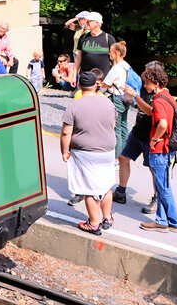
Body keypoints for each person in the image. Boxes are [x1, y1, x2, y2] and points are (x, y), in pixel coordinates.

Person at [60, 71, 118, 235]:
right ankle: (107, 217)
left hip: (85, 152)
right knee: (105, 185)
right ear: (96, 85)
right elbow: (112, 125)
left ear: (79, 86)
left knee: (89, 188)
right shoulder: (108, 103)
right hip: (107, 150)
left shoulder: (74, 106)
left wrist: (65, 151)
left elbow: (66, 133)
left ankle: (94, 223)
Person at [138, 65, 177, 232]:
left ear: (155, 83)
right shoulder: (168, 96)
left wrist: (155, 139)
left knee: (163, 188)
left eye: (147, 83)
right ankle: (162, 221)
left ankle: (174, 221)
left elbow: (162, 123)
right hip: (168, 149)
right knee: (163, 185)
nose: (145, 87)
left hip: (159, 149)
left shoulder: (158, 100)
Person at [119, 60, 166, 210]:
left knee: (153, 168)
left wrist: (135, 96)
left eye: (147, 74)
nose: (144, 78)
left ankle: (157, 199)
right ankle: (121, 191)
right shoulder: (146, 89)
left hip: (150, 136)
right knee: (123, 157)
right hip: (138, 132)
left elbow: (150, 111)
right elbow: (141, 109)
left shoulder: (160, 94)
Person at [101, 41, 133, 186]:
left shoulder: (115, 68)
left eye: (111, 51)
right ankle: (124, 153)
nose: (109, 53)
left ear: (115, 53)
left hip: (116, 98)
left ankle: (117, 158)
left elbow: (106, 84)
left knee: (117, 128)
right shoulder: (127, 66)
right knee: (124, 126)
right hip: (126, 97)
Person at [74, 12, 116, 79]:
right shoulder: (83, 37)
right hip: (85, 78)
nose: (86, 23)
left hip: (103, 80)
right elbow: (78, 57)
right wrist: (74, 76)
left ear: (97, 23)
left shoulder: (108, 38)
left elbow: (115, 60)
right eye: (86, 21)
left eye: (89, 21)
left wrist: (112, 78)